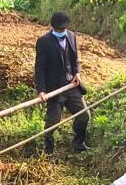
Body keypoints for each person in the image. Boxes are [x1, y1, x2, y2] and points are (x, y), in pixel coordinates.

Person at [33, 11, 88, 155]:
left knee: (83, 115)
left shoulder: (71, 36)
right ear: (52, 27)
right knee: (53, 122)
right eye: (58, 30)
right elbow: (39, 68)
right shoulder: (44, 42)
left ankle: (78, 143)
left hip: (71, 85)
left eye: (62, 29)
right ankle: (48, 150)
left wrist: (77, 73)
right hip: (54, 88)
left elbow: (74, 58)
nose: (60, 32)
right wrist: (42, 91)